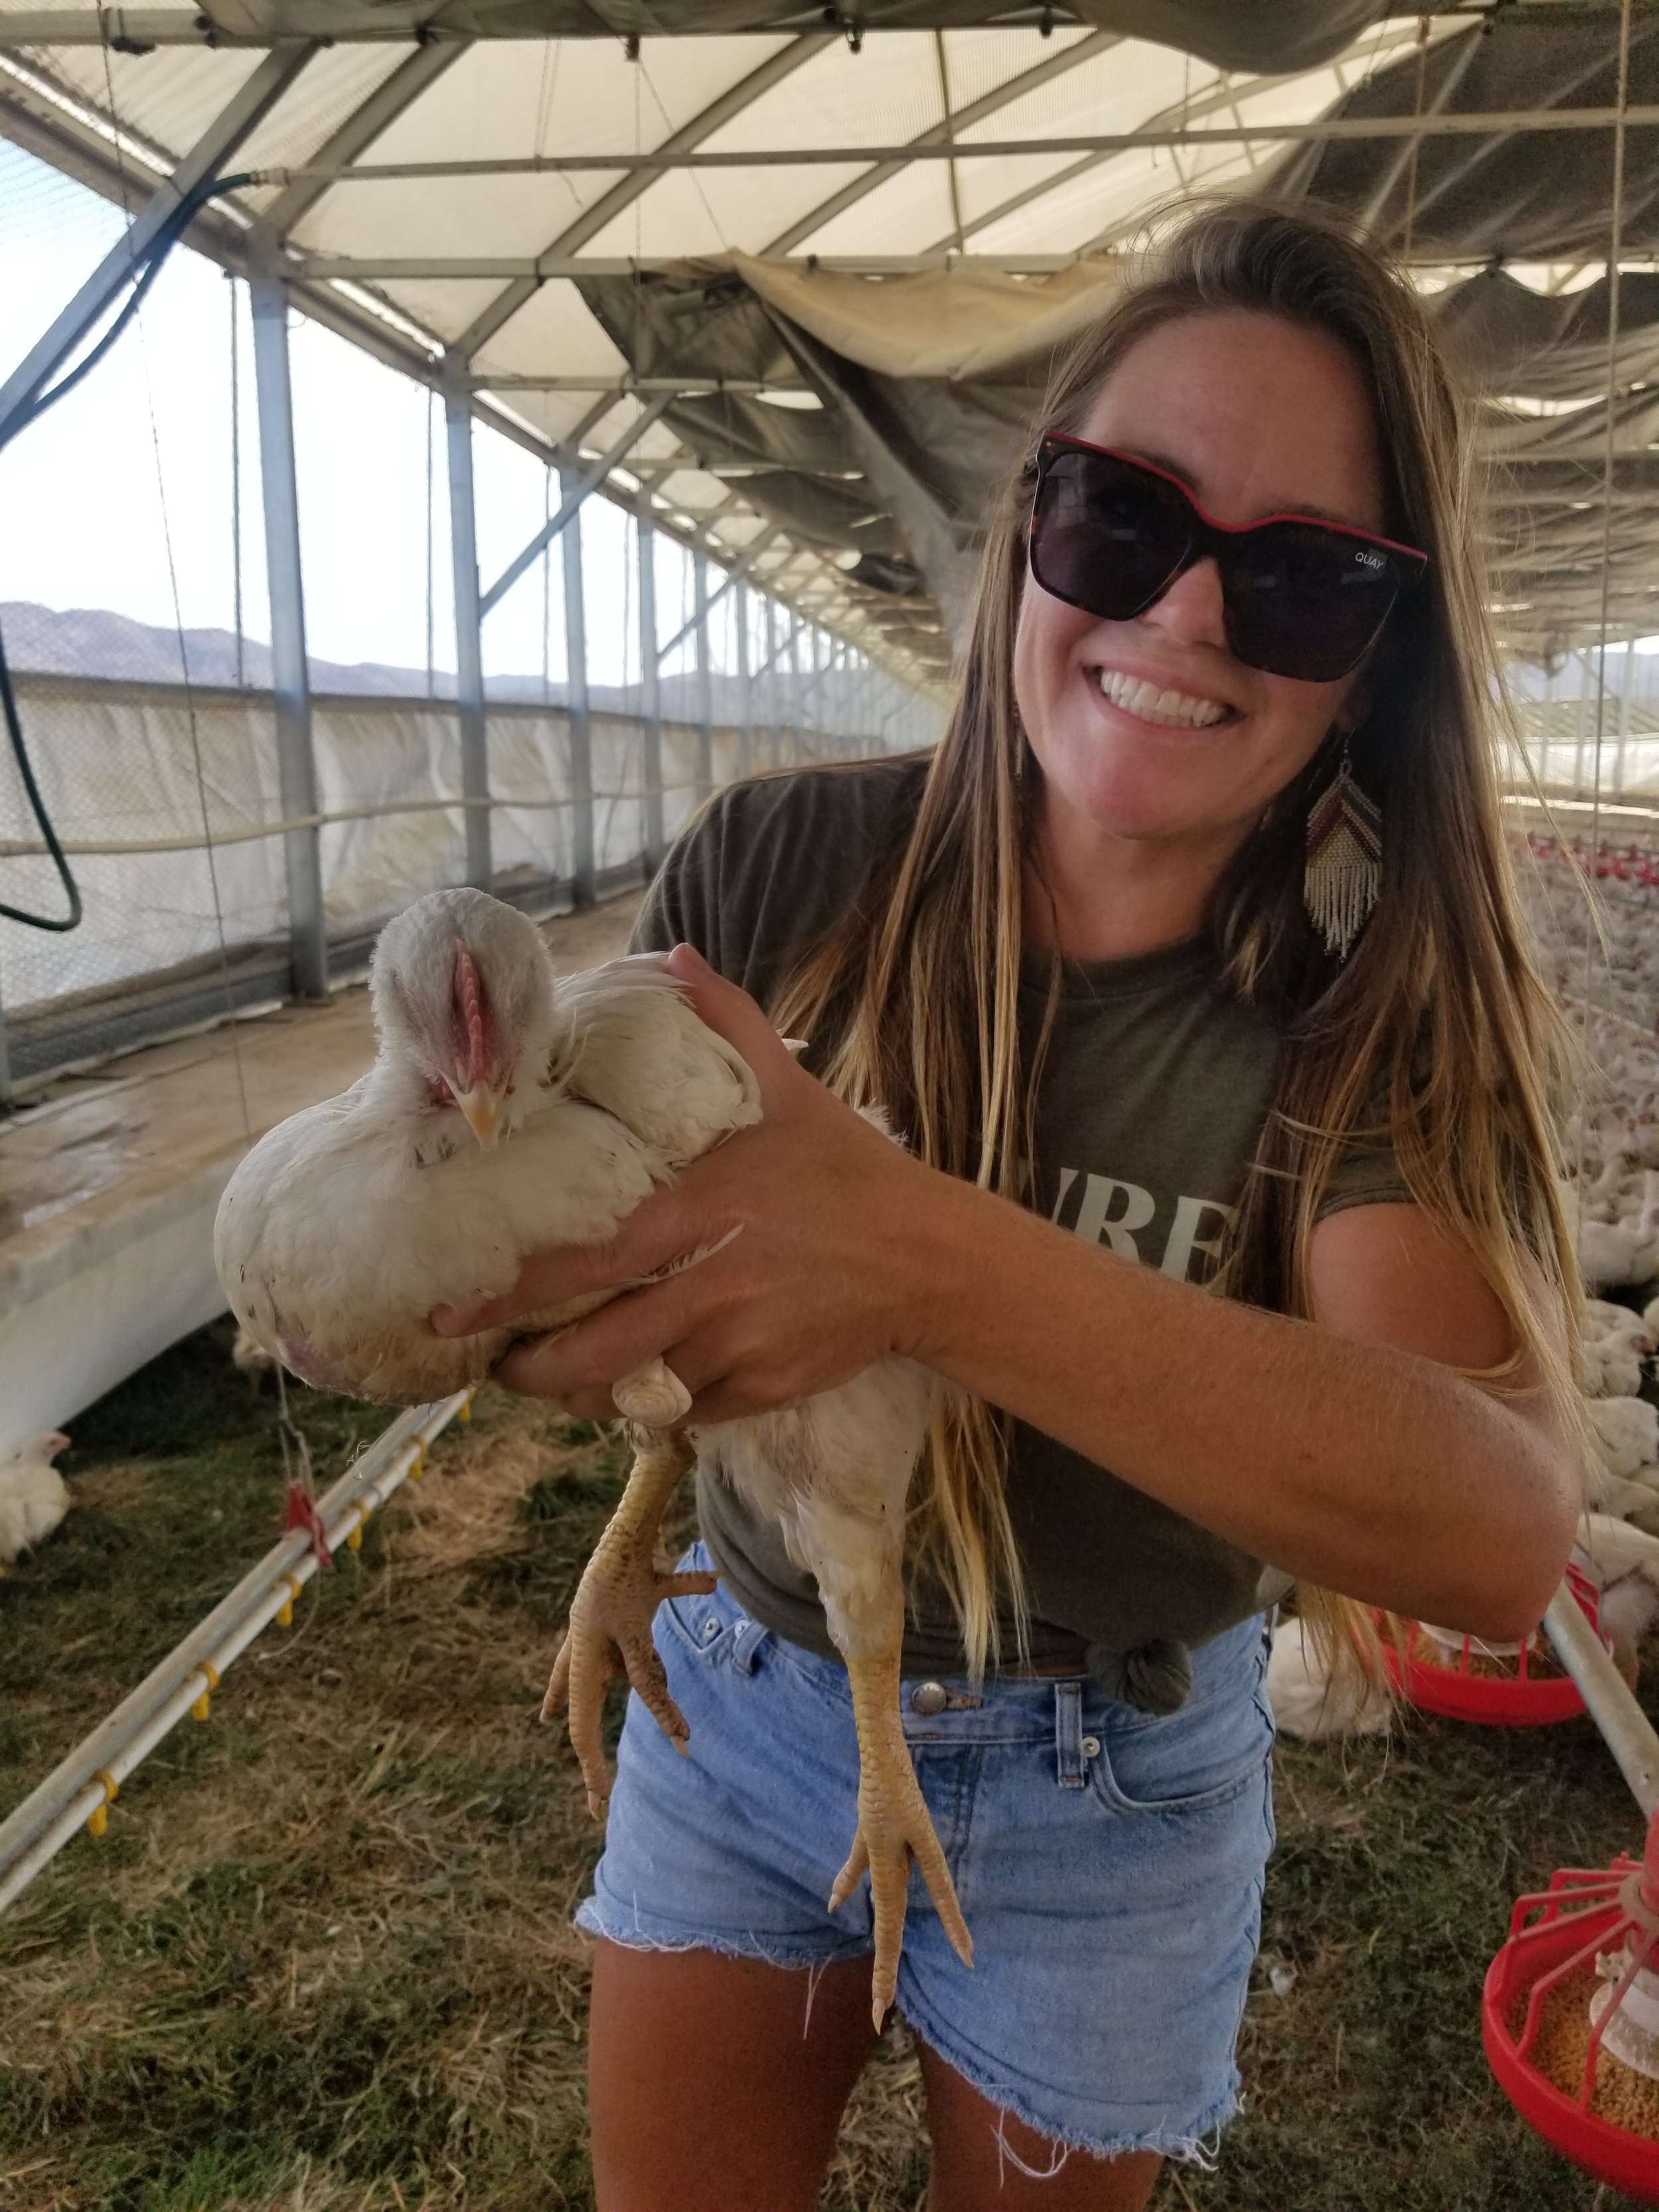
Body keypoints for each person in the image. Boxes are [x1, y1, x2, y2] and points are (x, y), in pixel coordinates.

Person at [441, 202, 1581, 2210]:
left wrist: (913, 1252)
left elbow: (1489, 1534)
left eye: (1305, 579)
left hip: (1106, 1780)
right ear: (1021, 534)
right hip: (745, 1688)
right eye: (1122, 521)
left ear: (1375, 657)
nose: (1189, 620)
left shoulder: (1354, 1008)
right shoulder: (775, 870)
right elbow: (622, 1266)